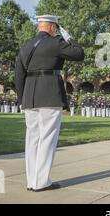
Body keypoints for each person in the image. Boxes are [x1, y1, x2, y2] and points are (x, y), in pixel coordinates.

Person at [14, 14, 84, 192]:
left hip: (30, 96)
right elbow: (78, 54)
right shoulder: (55, 42)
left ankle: (32, 181)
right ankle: (42, 181)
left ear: (40, 27)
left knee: (32, 139)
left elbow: (19, 76)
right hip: (50, 94)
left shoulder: (26, 46)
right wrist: (68, 38)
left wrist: (22, 99)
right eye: (56, 28)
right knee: (47, 139)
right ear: (53, 27)